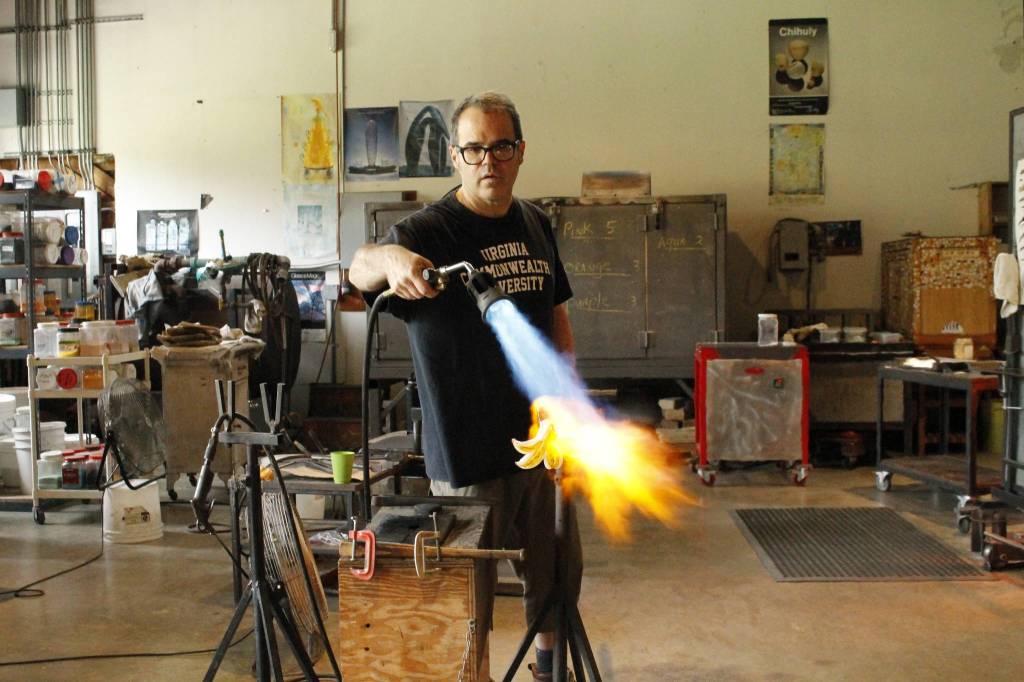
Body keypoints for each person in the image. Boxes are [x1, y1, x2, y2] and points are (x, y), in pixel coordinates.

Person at [349, 91, 582, 681]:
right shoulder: (429, 230)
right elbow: (359, 267)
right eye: (474, 149)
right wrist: (393, 260)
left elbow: (556, 314)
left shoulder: (536, 223)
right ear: (454, 156)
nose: (488, 162)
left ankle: (548, 668)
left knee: (556, 575)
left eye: (501, 147)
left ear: (520, 151)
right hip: (467, 454)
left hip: (539, 441)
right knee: (463, 598)